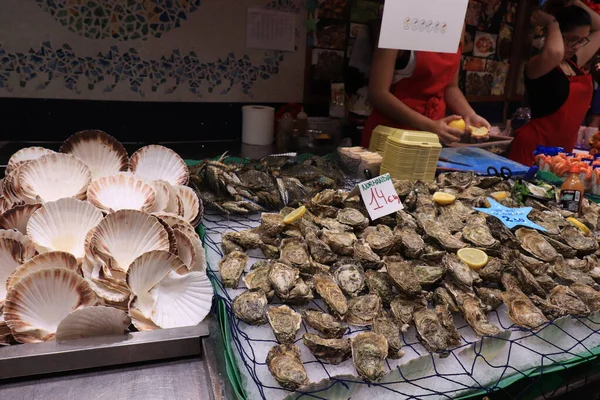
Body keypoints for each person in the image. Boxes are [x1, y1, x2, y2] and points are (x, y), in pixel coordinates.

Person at [361, 31, 491, 148]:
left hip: (432, 137)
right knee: (385, 175)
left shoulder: (458, 22)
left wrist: (470, 115)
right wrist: (430, 126)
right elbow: (378, 93)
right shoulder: (398, 18)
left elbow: (450, 87)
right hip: (392, 133)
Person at [508, 1, 600, 166]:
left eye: (582, 40)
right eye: (571, 39)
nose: (576, 46)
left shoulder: (573, 62)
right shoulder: (539, 64)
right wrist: (552, 22)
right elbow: (555, 52)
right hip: (532, 150)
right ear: (555, 34)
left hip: (561, 155)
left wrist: (576, 2)